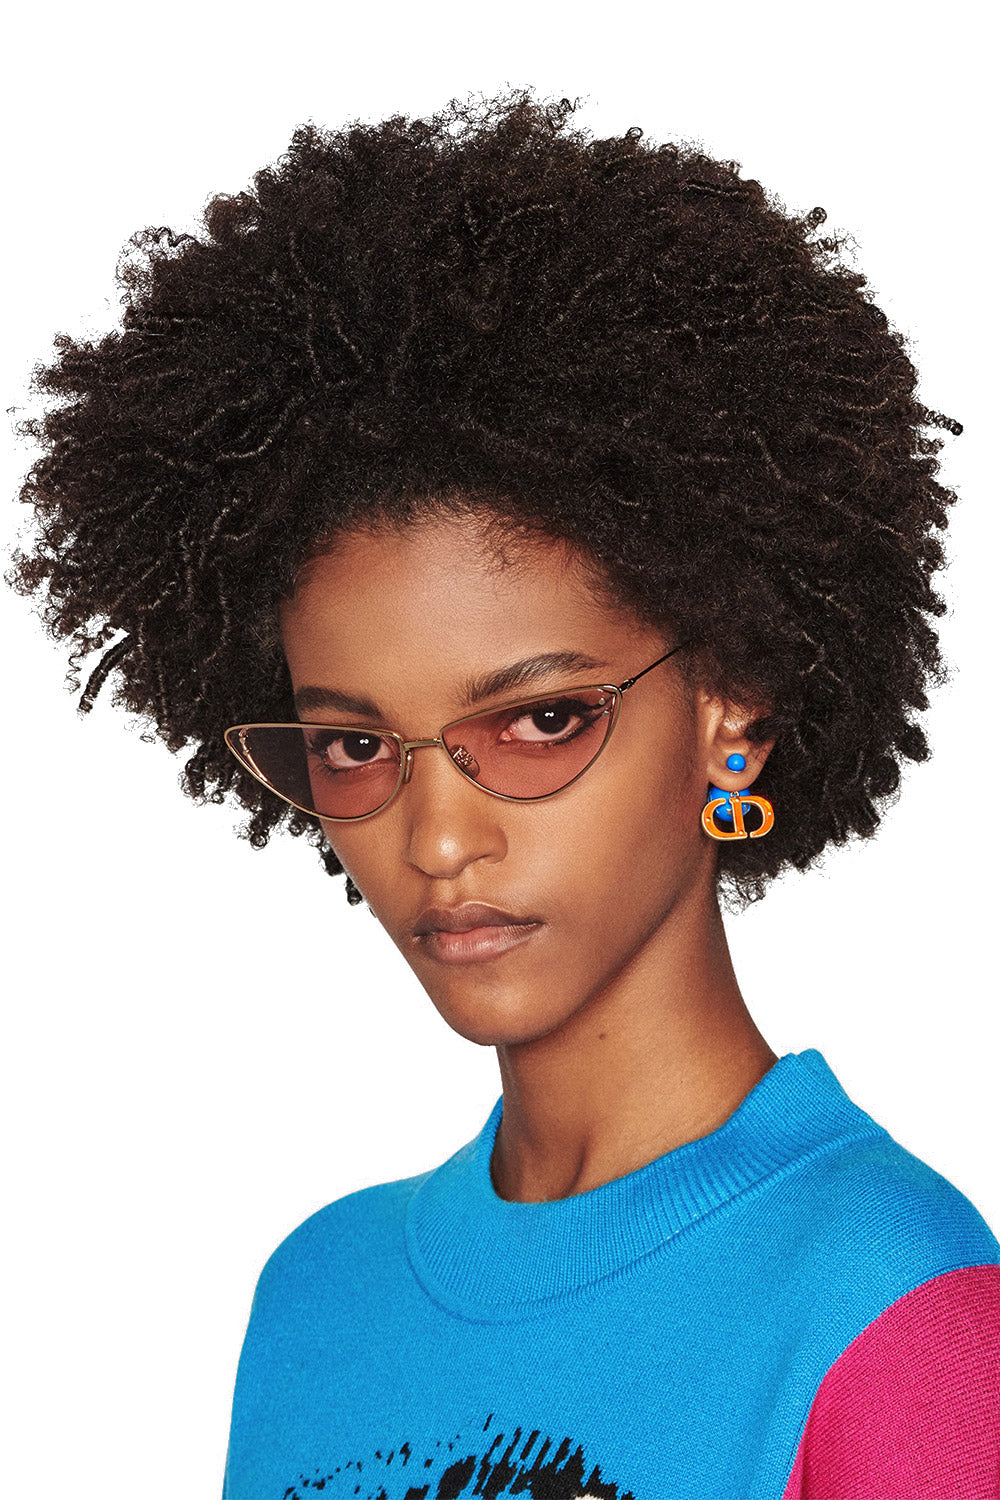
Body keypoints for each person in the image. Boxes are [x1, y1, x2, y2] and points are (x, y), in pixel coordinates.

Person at [9, 86, 999, 1500]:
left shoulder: (899, 1321)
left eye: (539, 721)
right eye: (357, 748)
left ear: (730, 720)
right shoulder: (318, 1301)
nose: (438, 838)